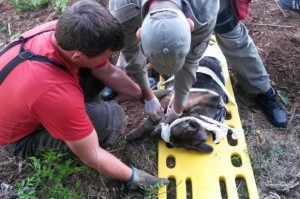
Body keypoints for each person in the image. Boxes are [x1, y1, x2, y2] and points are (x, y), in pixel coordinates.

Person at [0, 0, 169, 190]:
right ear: (77, 57)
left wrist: (145, 95)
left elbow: (109, 72)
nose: (108, 60)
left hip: (28, 97)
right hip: (22, 138)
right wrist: (134, 177)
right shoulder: (54, 92)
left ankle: (68, 114)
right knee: (112, 119)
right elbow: (91, 155)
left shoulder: (63, 32)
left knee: (96, 71)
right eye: (106, 56)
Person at [108, 0, 287, 128]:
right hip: (136, 12)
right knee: (128, 48)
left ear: (190, 25)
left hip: (199, 7)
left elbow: (190, 61)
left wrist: (178, 106)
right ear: (140, 33)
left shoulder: (205, 8)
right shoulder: (122, 9)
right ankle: (118, 77)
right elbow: (131, 50)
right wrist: (147, 96)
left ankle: (262, 89)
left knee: (232, 34)